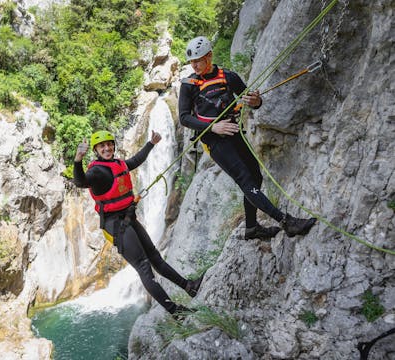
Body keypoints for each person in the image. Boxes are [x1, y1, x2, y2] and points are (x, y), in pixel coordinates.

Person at [178, 36, 316, 240]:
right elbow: (184, 118)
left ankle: (252, 228)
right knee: (244, 178)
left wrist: (256, 100)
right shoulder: (189, 84)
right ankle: (286, 221)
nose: (194, 65)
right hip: (214, 140)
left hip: (233, 132)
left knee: (255, 176)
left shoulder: (228, 77)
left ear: (209, 56)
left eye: (198, 60)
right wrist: (213, 127)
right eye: (192, 62)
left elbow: (252, 101)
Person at [73, 130, 203, 317]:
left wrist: (151, 143)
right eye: (102, 146)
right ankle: (176, 312)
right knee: (144, 266)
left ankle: (189, 286)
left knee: (155, 257)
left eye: (109, 144)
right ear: (96, 150)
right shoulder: (96, 172)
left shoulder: (117, 164)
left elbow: (134, 161)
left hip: (128, 218)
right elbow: (81, 182)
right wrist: (78, 159)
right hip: (115, 225)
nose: (107, 148)